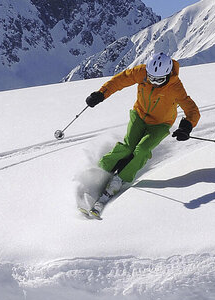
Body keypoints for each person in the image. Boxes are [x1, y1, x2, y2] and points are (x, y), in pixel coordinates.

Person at [84, 52, 200, 214]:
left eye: (158, 80)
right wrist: (101, 94)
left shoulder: (175, 86)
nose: (152, 82)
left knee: (142, 151)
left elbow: (192, 110)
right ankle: (100, 173)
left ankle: (118, 181)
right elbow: (120, 80)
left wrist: (186, 127)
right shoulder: (142, 72)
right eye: (151, 78)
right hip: (139, 115)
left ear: (167, 75)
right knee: (127, 147)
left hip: (160, 124)